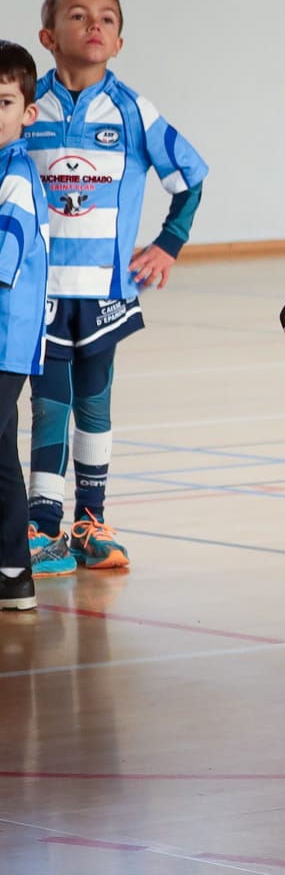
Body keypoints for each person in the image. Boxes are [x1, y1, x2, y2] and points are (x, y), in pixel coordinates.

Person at [24, 0, 208, 575]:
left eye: (107, 17)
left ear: (120, 42)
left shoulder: (133, 110)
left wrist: (168, 244)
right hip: (39, 291)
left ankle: (91, 520)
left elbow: (190, 176)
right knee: (50, 404)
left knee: (95, 404)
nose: (94, 25)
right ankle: (41, 525)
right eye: (78, 16)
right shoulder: (27, 107)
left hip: (104, 292)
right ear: (49, 36)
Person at [0, 41, 48, 612]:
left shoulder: (15, 176)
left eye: (3, 101)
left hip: (6, 343)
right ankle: (14, 571)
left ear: (26, 113)